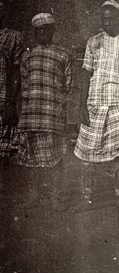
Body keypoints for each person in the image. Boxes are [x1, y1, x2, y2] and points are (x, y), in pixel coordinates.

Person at [74, 0, 119, 213]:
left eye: (111, 18)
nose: (107, 22)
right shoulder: (93, 42)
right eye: (104, 19)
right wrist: (82, 106)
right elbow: (85, 74)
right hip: (95, 104)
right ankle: (87, 197)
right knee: (86, 154)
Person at [14, 13, 73, 209]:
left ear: (53, 31)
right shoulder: (27, 56)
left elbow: (69, 86)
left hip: (52, 115)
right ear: (34, 32)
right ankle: (34, 196)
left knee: (56, 159)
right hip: (31, 115)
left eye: (46, 29)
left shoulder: (63, 55)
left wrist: (61, 110)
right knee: (31, 158)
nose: (42, 33)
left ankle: (56, 198)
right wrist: (21, 113)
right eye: (38, 30)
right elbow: (24, 87)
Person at [0, 1, 25, 180]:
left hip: (3, 99)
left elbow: (17, 72)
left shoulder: (13, 37)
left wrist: (10, 103)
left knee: (4, 150)